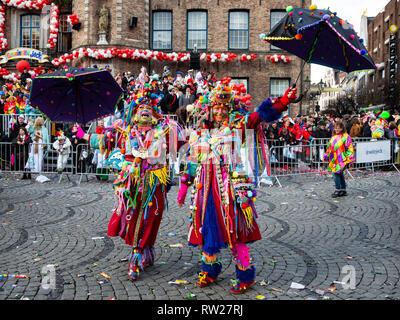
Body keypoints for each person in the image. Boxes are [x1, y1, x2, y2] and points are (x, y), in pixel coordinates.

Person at [177, 79, 298, 294]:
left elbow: (258, 116)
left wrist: (282, 102)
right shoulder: (201, 133)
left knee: (233, 229)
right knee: (205, 228)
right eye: (216, 107)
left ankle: (245, 272)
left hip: (228, 186)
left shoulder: (237, 126)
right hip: (204, 189)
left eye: (224, 107)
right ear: (209, 109)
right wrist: (184, 185)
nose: (220, 111)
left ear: (230, 108)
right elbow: (193, 161)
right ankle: (210, 268)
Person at [73, 85, 181, 281]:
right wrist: (82, 134)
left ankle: (141, 251)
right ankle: (140, 252)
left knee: (151, 218)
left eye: (149, 106)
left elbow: (180, 142)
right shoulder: (125, 130)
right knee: (132, 217)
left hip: (154, 181)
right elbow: (105, 140)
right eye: (140, 107)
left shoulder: (164, 129)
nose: (145, 110)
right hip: (131, 182)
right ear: (134, 111)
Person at [323, 121, 354, 198]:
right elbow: (330, 148)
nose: (337, 129)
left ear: (342, 128)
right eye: (335, 127)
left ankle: (338, 189)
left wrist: (349, 158)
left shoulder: (346, 136)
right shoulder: (333, 137)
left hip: (342, 159)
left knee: (335, 173)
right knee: (339, 173)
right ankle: (343, 189)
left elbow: (349, 148)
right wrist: (326, 155)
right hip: (334, 159)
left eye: (338, 127)